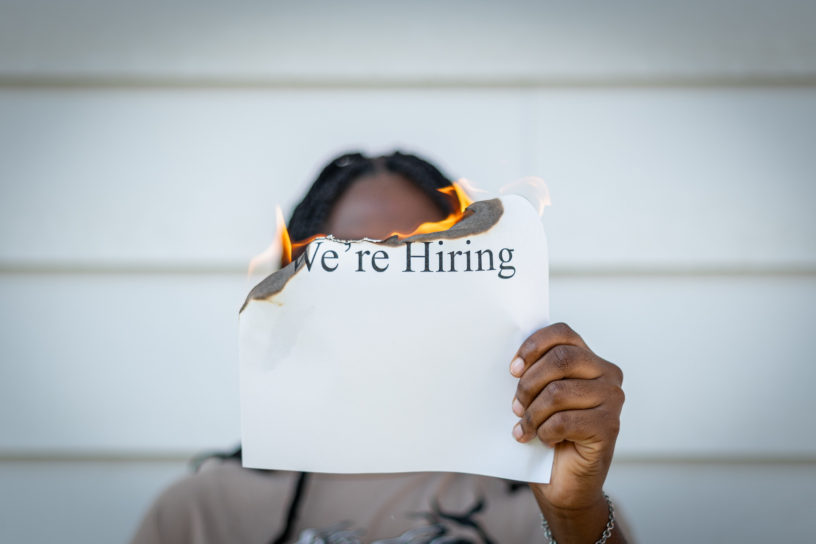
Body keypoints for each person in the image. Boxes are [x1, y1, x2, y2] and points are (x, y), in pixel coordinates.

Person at [131, 151, 627, 544]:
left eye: (417, 257)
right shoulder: (204, 512)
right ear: (290, 291)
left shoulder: (543, 500)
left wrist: (575, 518)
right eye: (346, 261)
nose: (382, 286)